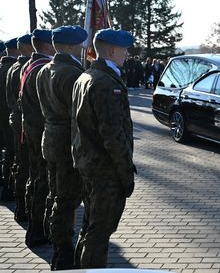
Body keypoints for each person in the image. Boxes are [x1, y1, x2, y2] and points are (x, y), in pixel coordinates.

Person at [71, 29, 136, 268]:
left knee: (90, 227)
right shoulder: (106, 83)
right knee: (99, 234)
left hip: (88, 165)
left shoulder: (86, 76)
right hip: (105, 170)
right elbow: (113, 136)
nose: (127, 54)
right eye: (124, 49)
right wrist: (126, 172)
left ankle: (79, 268)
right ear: (111, 50)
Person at [36, 26, 88, 269]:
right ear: (67, 46)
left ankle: (55, 243)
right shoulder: (71, 73)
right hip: (67, 141)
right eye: (78, 44)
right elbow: (79, 114)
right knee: (66, 201)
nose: (81, 48)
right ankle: (63, 252)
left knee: (55, 194)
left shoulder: (44, 70)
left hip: (51, 137)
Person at [20, 29, 55, 247]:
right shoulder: (42, 68)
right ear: (47, 45)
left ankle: (35, 226)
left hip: (31, 130)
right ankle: (37, 230)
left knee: (37, 179)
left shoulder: (28, 65)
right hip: (39, 131)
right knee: (42, 182)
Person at [6, 34, 34, 222]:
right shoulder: (24, 68)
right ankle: (23, 208)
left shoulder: (13, 67)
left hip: (15, 117)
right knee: (25, 165)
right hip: (23, 120)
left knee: (19, 161)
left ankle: (19, 204)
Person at [0, 38, 19, 201]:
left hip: (5, 115)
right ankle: (7, 186)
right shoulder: (12, 68)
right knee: (12, 153)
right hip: (8, 116)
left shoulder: (4, 67)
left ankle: (5, 183)